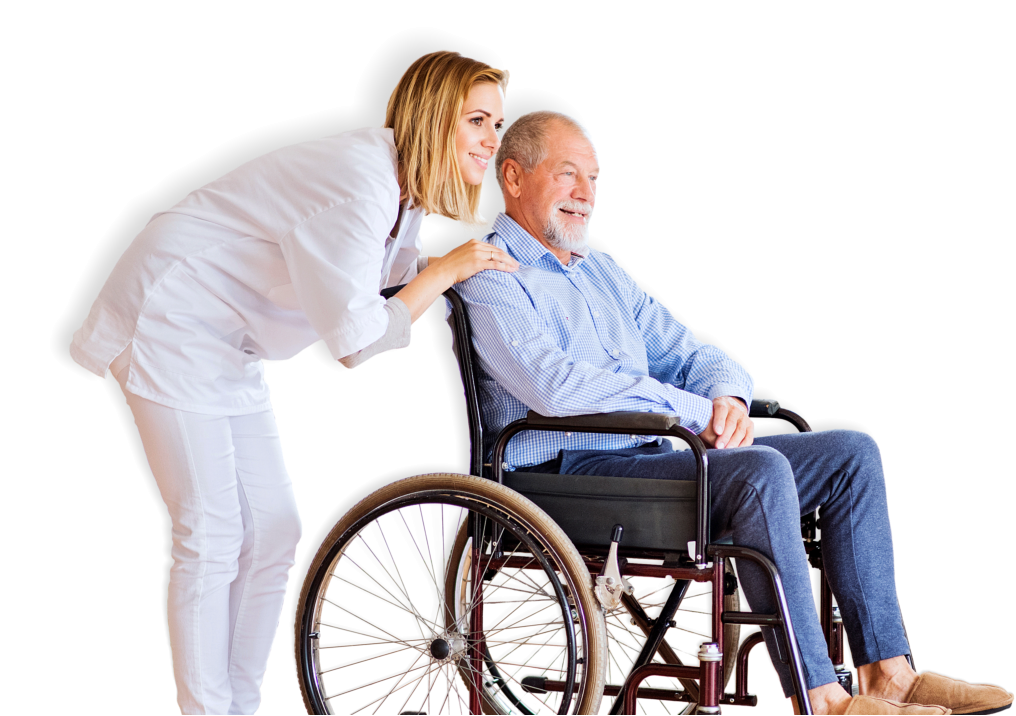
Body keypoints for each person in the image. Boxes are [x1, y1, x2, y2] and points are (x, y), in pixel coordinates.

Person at [451, 109, 1013, 716]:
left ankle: (888, 676)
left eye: (593, 177)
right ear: (512, 177)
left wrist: (724, 399)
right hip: (563, 476)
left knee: (853, 453)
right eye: (568, 175)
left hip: (654, 459)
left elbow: (684, 348)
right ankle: (821, 698)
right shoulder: (488, 273)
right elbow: (554, 388)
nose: (586, 194)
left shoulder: (600, 271)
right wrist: (691, 414)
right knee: (759, 470)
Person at [68, 50, 520, 715]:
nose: (492, 140)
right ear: (431, 118)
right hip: (171, 313)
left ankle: (239, 704)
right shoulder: (362, 179)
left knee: (277, 528)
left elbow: (370, 272)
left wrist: (454, 266)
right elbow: (356, 343)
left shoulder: (401, 188)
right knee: (212, 532)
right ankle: (206, 710)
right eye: (478, 120)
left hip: (225, 337)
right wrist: (447, 272)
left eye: (498, 124)